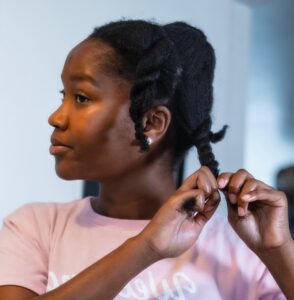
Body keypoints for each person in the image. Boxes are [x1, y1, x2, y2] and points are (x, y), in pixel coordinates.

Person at [0, 19, 293, 300]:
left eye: (81, 98)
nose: (56, 117)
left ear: (151, 123)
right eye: (63, 95)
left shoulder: (238, 247)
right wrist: (145, 247)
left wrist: (278, 250)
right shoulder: (36, 227)